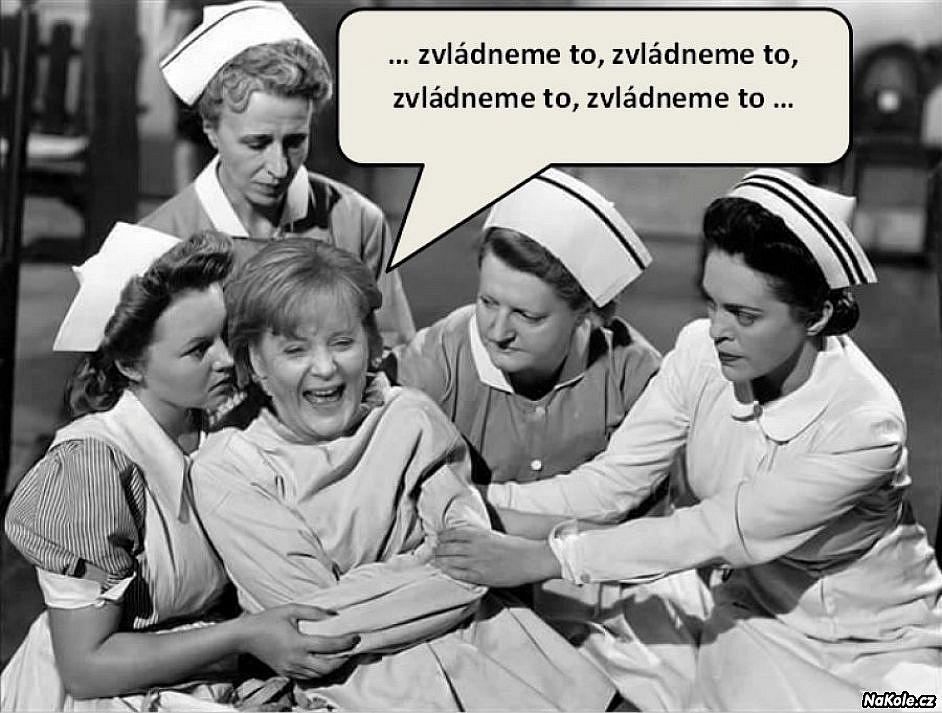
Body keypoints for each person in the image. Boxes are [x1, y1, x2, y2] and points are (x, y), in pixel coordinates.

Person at [433, 168, 942, 710]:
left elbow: (716, 529)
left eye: (744, 315)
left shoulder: (865, 425)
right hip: (745, 611)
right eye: (712, 303)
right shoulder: (701, 352)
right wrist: (474, 503)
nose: (719, 329)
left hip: (871, 642)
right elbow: (611, 485)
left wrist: (542, 558)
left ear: (816, 316)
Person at [190, 239, 617, 711]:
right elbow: (313, 628)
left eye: (343, 342)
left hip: (530, 672)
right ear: (256, 363)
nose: (326, 367)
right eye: (295, 350)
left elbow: (475, 566)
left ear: (370, 345)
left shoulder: (409, 416)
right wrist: (430, 562)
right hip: (383, 696)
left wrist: (385, 585)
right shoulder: (228, 469)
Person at [384, 168, 709, 709]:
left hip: (598, 590)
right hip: (467, 588)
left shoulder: (634, 375)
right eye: (488, 302)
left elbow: (643, 529)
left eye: (527, 315)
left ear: (587, 314)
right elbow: (394, 504)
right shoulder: (433, 363)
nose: (498, 330)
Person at [1, 225, 357, 711]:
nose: (226, 359)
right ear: (130, 365)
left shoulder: (227, 421)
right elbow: (85, 669)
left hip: (213, 685)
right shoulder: (91, 470)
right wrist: (243, 636)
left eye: (224, 336)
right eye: (197, 349)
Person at [142, 0, 415, 347]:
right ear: (210, 130)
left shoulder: (357, 222)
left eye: (295, 141)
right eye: (257, 143)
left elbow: (393, 352)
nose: (279, 167)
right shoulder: (159, 240)